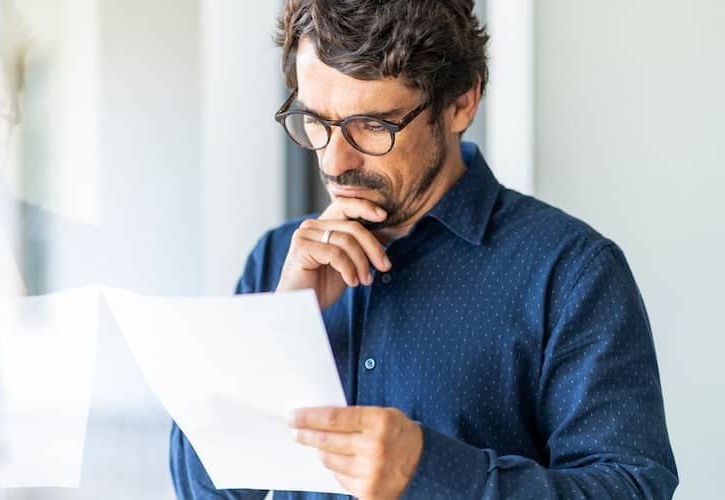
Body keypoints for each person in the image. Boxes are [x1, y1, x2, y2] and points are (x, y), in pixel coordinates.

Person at [170, 0, 678, 498]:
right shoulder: (276, 258)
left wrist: (429, 471)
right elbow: (199, 486)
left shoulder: (572, 272)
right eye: (316, 121)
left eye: (372, 126)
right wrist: (277, 322)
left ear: (461, 102)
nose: (334, 160)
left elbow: (632, 486)